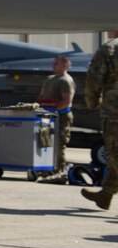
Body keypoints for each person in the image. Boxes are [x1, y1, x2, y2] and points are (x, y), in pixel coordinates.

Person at [82, 31, 118, 210]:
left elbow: (94, 79)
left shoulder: (110, 49)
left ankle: (106, 193)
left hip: (115, 112)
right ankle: (106, 194)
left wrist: (92, 102)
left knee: (115, 154)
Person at [36, 55, 75, 183]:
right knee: (45, 142)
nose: (53, 66)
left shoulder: (66, 81)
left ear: (65, 65)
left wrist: (54, 110)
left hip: (61, 116)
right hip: (47, 116)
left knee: (59, 144)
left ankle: (59, 172)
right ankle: (47, 169)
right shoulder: (50, 79)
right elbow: (42, 96)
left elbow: (67, 100)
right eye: (54, 63)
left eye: (57, 63)